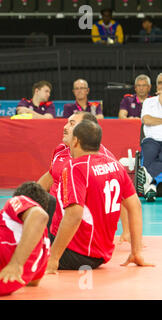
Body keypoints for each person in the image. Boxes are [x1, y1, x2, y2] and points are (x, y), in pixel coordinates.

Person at [45, 120, 153, 273]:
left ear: (75, 141)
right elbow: (135, 206)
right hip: (101, 255)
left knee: (24, 235)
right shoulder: (116, 165)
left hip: (75, 253)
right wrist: (136, 252)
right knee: (45, 200)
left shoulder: (76, 166)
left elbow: (74, 215)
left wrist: (53, 259)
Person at [38, 111, 131, 243]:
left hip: (79, 224)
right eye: (66, 122)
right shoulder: (60, 150)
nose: (65, 127)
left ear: (85, 130)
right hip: (56, 216)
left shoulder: (104, 159)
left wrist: (126, 231)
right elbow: (50, 177)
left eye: (71, 124)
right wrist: (28, 197)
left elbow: (119, 195)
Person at [136, 74, 162, 202]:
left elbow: (152, 120)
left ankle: (150, 183)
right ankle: (151, 182)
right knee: (149, 154)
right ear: (157, 86)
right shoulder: (149, 101)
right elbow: (146, 120)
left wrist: (156, 120)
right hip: (151, 139)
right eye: (160, 83)